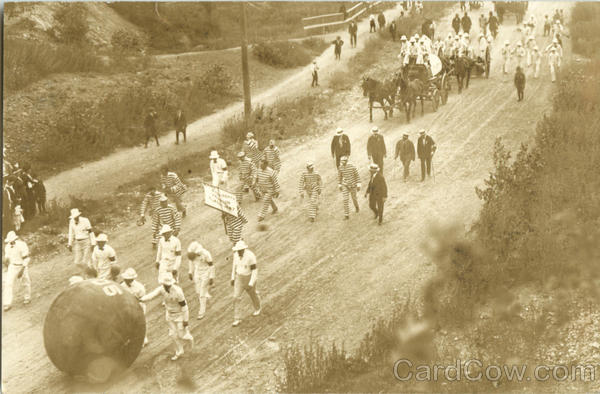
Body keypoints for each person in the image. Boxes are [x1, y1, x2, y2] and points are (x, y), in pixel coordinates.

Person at [141, 273, 193, 361]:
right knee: (172, 335)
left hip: (179, 315)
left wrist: (185, 320)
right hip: (169, 315)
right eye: (165, 285)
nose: (167, 287)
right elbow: (152, 295)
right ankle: (180, 351)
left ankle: (190, 339)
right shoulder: (161, 289)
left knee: (182, 335)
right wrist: (141, 299)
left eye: (168, 285)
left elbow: (184, 306)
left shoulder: (178, 291)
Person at [231, 240, 261, 327]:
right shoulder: (235, 255)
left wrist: (251, 283)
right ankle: (237, 318)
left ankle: (257, 308)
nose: (239, 252)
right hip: (239, 278)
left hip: (249, 277)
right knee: (236, 297)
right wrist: (232, 277)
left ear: (244, 249)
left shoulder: (250, 256)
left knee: (252, 294)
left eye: (240, 250)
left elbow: (254, 270)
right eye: (238, 250)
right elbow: (234, 266)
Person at [3, 231, 31, 311]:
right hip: (12, 266)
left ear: (16, 239)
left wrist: (22, 270)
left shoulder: (22, 245)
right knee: (8, 283)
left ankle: (27, 298)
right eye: (9, 242)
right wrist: (6, 262)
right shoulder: (7, 247)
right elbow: (7, 258)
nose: (10, 243)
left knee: (25, 282)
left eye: (12, 241)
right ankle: (7, 303)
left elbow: (26, 258)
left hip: (22, 265)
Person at [121, 268, 149, 346]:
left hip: (138, 307)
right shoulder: (121, 286)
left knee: (141, 323)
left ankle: (144, 338)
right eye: (125, 279)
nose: (126, 280)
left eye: (128, 279)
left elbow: (143, 299)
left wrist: (136, 300)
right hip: (127, 308)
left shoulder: (139, 287)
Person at [187, 241, 215, 320]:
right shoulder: (192, 255)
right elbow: (191, 263)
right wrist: (190, 272)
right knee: (198, 291)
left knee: (202, 293)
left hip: (206, 272)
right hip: (197, 272)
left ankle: (201, 312)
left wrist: (211, 277)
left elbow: (211, 266)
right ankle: (206, 296)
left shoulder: (206, 254)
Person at [337, 156, 360, 220]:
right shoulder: (340, 168)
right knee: (345, 199)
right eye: (342, 161)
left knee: (354, 198)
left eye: (344, 161)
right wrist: (339, 184)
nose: (343, 163)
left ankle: (357, 207)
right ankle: (346, 215)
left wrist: (358, 184)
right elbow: (339, 176)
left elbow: (357, 176)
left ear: (347, 161)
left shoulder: (352, 167)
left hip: (353, 185)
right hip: (345, 185)